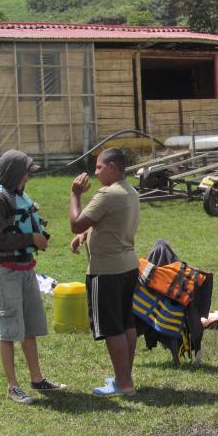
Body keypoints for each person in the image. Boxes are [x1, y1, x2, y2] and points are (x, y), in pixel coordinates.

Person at [0, 150, 65, 404]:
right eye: (26, 172)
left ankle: (37, 379)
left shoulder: (17, 194)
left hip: (26, 269)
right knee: (8, 330)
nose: (28, 177)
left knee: (29, 327)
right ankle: (12, 386)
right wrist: (31, 239)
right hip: (7, 273)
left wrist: (39, 239)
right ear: (14, 172)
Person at [69, 148, 141, 396]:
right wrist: (85, 235)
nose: (95, 172)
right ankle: (124, 377)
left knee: (112, 328)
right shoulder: (130, 191)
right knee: (126, 323)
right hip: (128, 266)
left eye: (99, 167)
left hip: (106, 271)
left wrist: (75, 195)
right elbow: (110, 223)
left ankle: (124, 383)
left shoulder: (108, 194)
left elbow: (75, 222)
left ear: (112, 167)